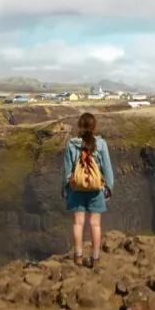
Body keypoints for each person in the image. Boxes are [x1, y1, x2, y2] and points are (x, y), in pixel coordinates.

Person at [62, 112, 114, 268]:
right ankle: (95, 258)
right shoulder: (101, 144)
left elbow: (67, 171)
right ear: (94, 127)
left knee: (78, 223)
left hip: (77, 189)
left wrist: (66, 188)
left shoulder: (71, 144)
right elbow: (107, 169)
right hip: (96, 190)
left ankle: (78, 256)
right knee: (95, 224)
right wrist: (108, 188)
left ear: (79, 126)